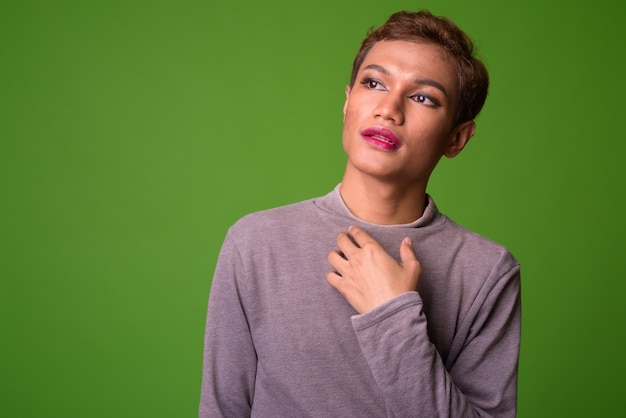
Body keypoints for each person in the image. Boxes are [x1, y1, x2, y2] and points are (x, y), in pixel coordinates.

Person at [199, 9, 521, 418]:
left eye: (423, 97)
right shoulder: (255, 242)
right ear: (348, 101)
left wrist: (392, 313)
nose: (389, 108)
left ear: (457, 137)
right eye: (374, 83)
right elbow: (222, 408)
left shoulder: (487, 272)